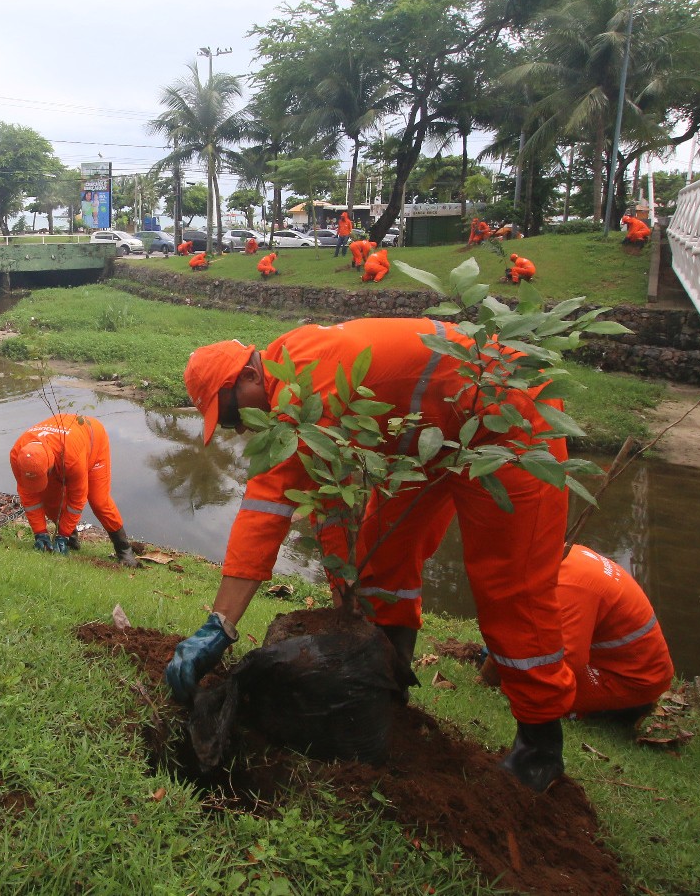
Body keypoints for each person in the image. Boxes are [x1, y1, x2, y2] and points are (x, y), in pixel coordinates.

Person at [167, 321, 575, 792]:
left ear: (249, 378)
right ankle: (391, 683)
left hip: (507, 418)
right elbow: (332, 508)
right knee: (383, 560)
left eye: (233, 415)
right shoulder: (291, 386)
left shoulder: (304, 383)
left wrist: (220, 624)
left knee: (511, 585)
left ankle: (540, 744)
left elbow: (266, 507)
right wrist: (349, 601)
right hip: (429, 441)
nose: (238, 430)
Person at [480, 545, 673, 719]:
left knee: (531, 695)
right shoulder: (565, 555)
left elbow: (566, 662)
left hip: (635, 680)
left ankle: (620, 709)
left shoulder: (570, 589)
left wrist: (505, 685)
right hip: (617, 661)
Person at [10, 413, 140, 567]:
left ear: (50, 466)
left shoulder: (71, 459)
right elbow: (28, 496)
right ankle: (71, 540)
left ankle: (124, 550)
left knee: (99, 502)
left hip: (92, 443)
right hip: (59, 451)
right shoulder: (17, 454)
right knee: (51, 504)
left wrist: (62, 534)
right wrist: (40, 533)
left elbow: (78, 499)